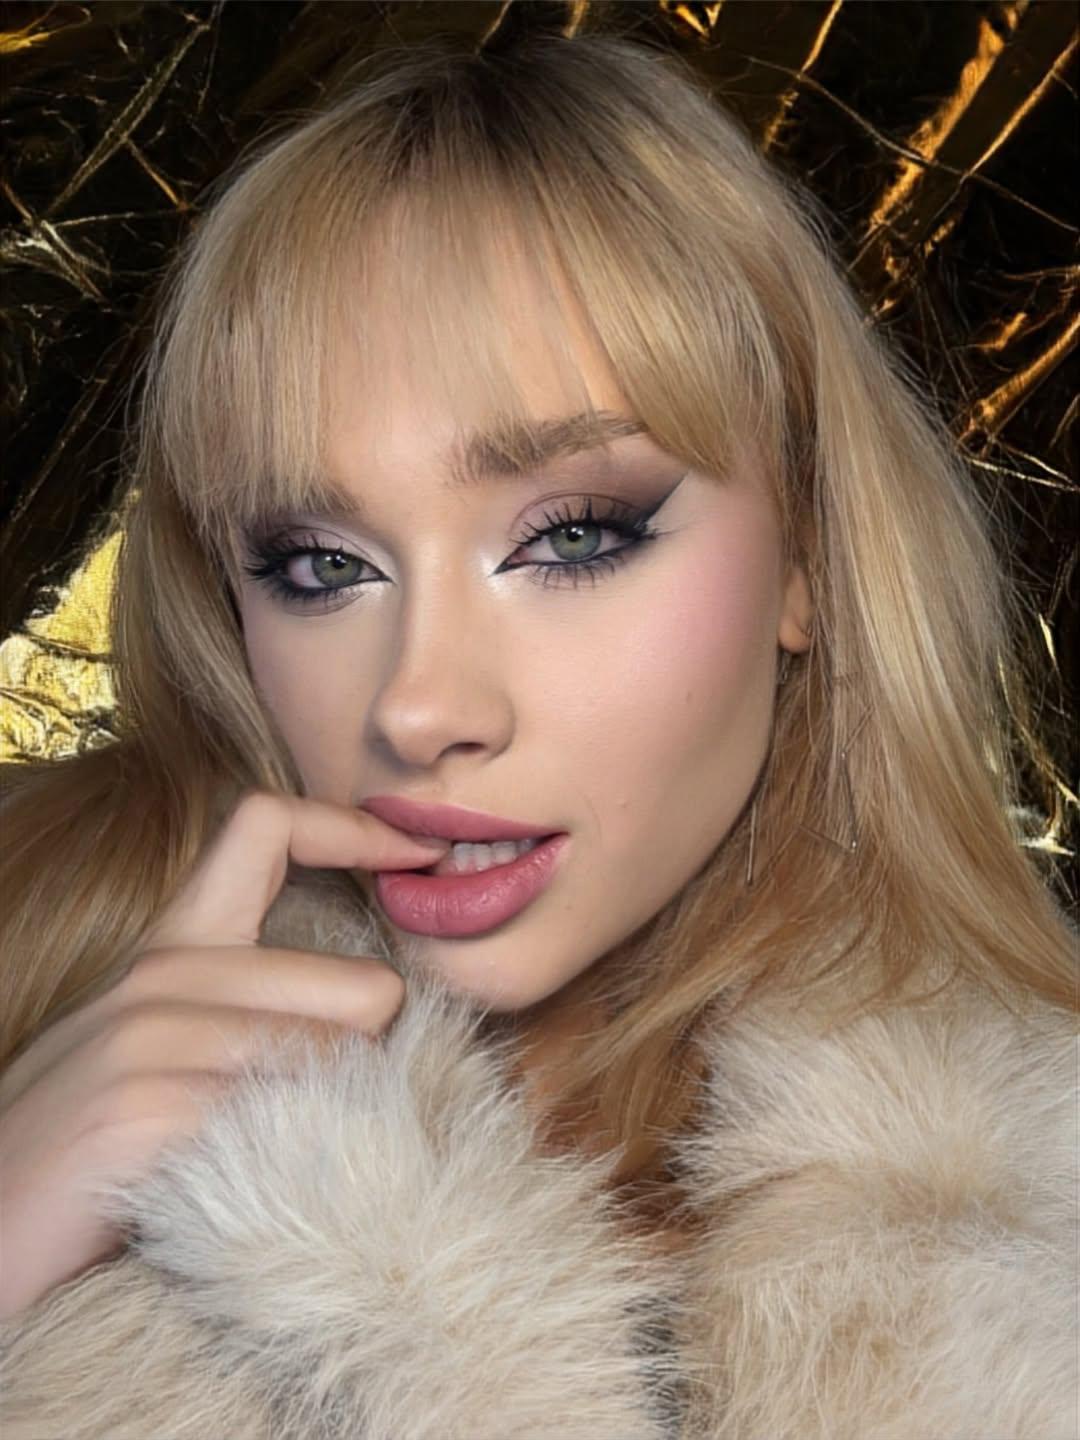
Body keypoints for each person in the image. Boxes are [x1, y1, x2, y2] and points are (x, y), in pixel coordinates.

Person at [0, 27, 1075, 1440]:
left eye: (571, 536)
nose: (418, 707)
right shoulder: (32, 945)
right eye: (321, 564)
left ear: (806, 554)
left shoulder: (1039, 1197)